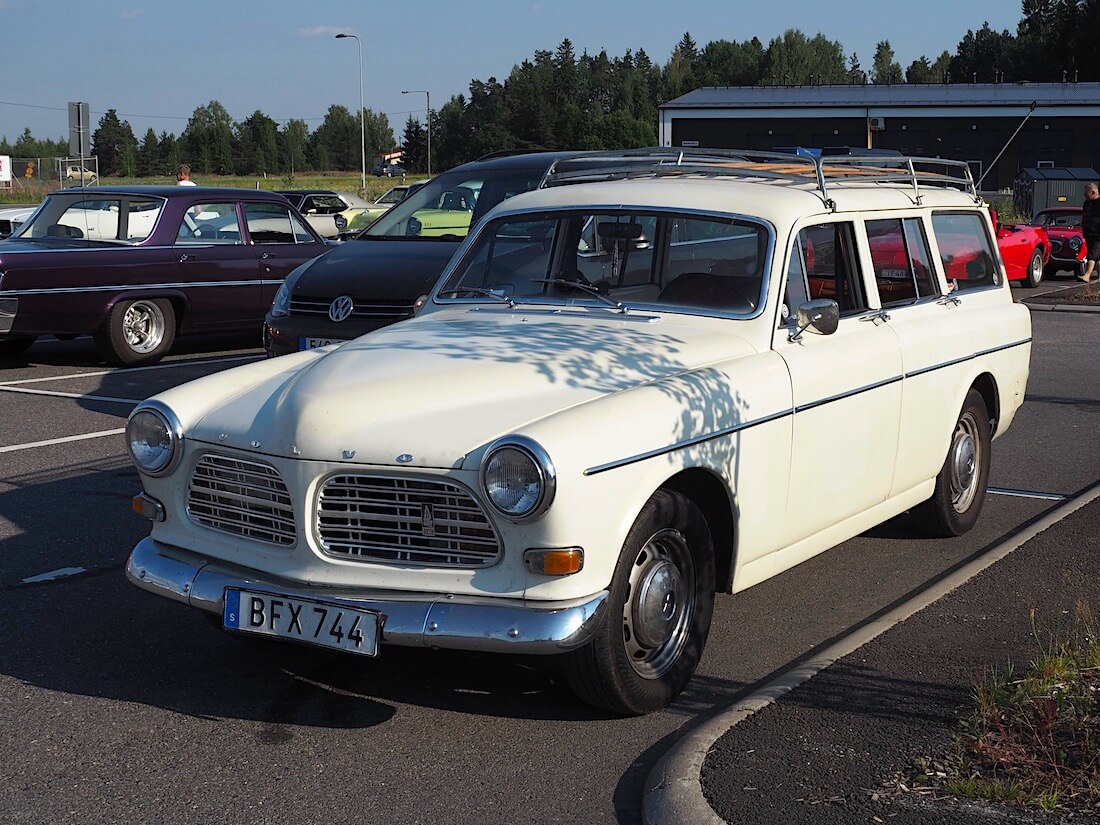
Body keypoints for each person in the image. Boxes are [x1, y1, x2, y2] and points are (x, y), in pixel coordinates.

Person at [1080, 181, 1100, 282]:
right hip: (1088, 233)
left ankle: (1087, 275)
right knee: (1097, 257)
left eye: (1086, 193)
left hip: (1097, 234)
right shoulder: (1087, 203)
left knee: (1092, 255)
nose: (1084, 195)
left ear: (1093, 193)